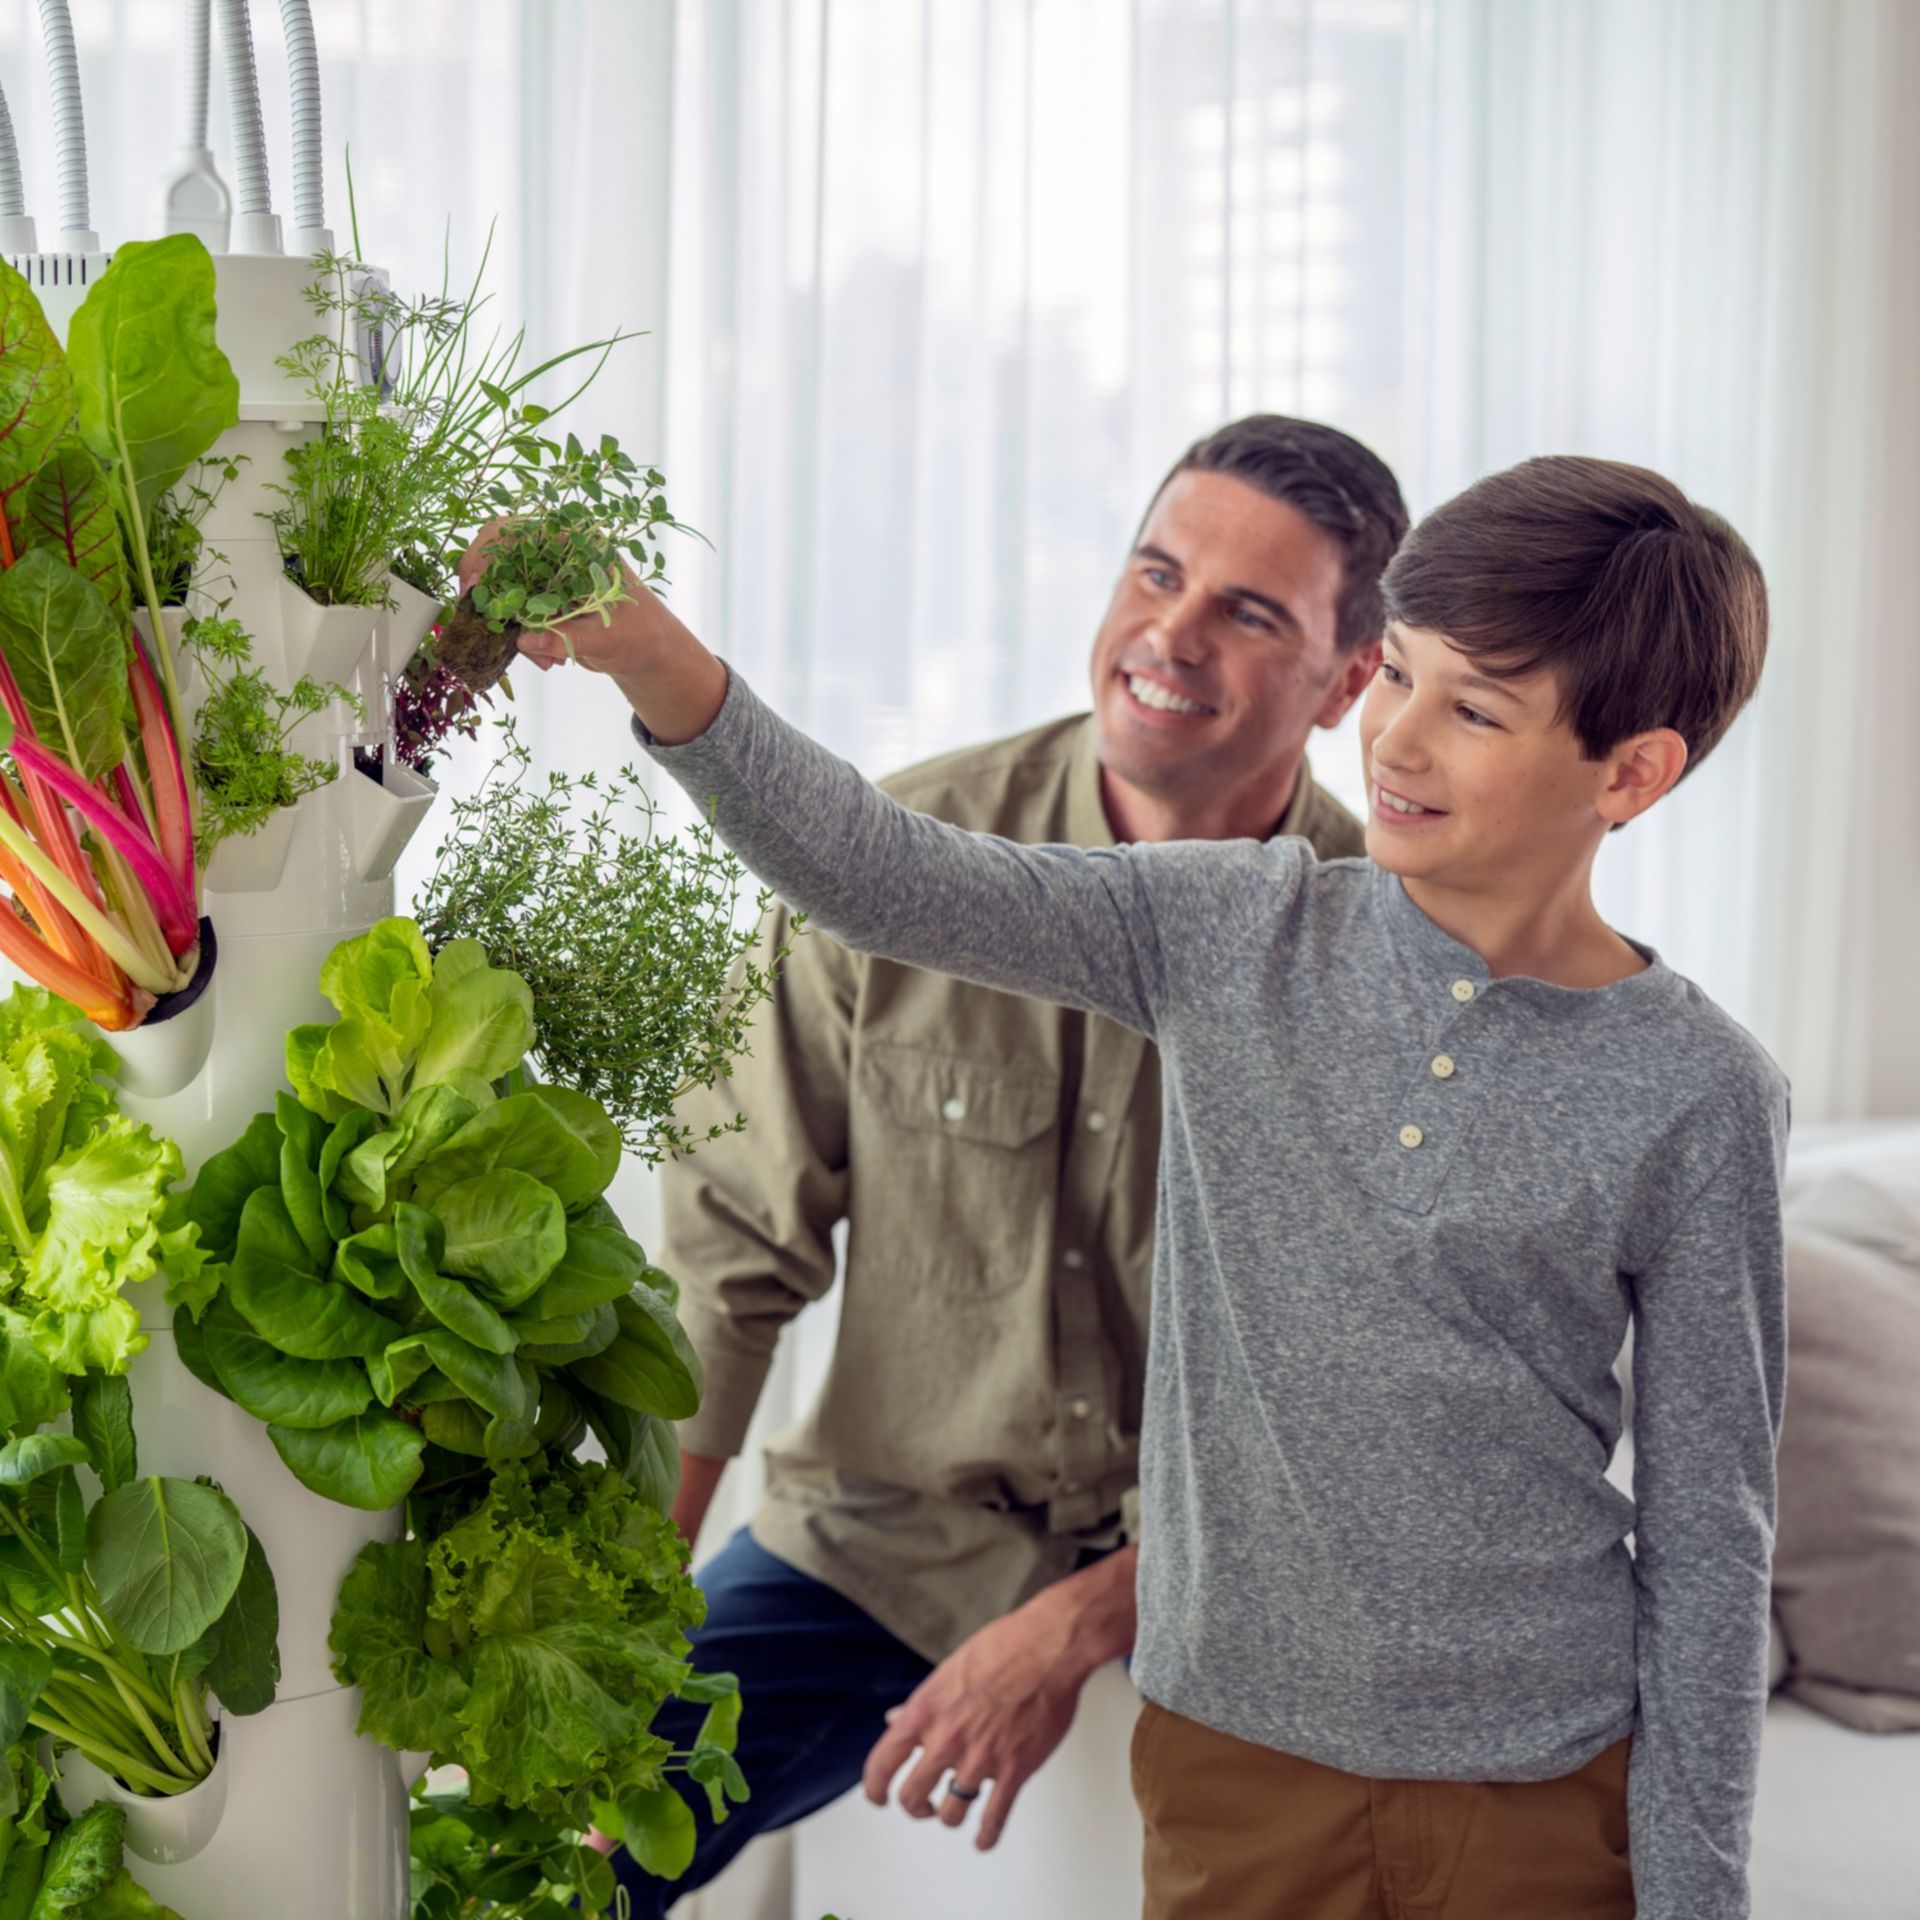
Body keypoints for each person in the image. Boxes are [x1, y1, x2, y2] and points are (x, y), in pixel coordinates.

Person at [493, 451, 1786, 1920]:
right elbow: (871, 872)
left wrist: (1698, 1897)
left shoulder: (1704, 1095)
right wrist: (654, 654)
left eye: (1473, 709)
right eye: (1403, 682)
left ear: (1634, 770)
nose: (1400, 743)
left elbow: (1710, 1538)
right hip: (1233, 1756)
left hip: (1547, 1779)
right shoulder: (1237, 927)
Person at [607, 415, 1412, 1907]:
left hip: (1230, 1580)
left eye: (1249, 612)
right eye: (1155, 573)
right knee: (572, 1847)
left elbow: (1365, 1416)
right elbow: (729, 1256)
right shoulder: (895, 852)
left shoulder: (1382, 955)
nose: (1169, 635)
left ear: (1350, 678)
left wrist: (1087, 1620)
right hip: (880, 1543)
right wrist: (622, 1626)